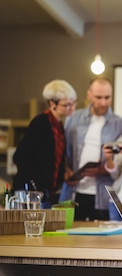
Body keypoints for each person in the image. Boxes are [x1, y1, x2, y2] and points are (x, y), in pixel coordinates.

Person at [62, 77, 122, 220]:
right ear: (89, 95)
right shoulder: (73, 118)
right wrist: (65, 169)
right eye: (98, 97)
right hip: (74, 190)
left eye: (107, 97)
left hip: (104, 193)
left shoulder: (119, 123)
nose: (103, 102)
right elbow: (64, 149)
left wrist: (105, 168)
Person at [13, 79, 77, 207]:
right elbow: (20, 156)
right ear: (52, 103)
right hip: (32, 192)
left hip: (47, 190)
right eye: (66, 105)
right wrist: (35, 186)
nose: (72, 108)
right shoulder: (41, 122)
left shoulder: (58, 125)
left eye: (73, 104)